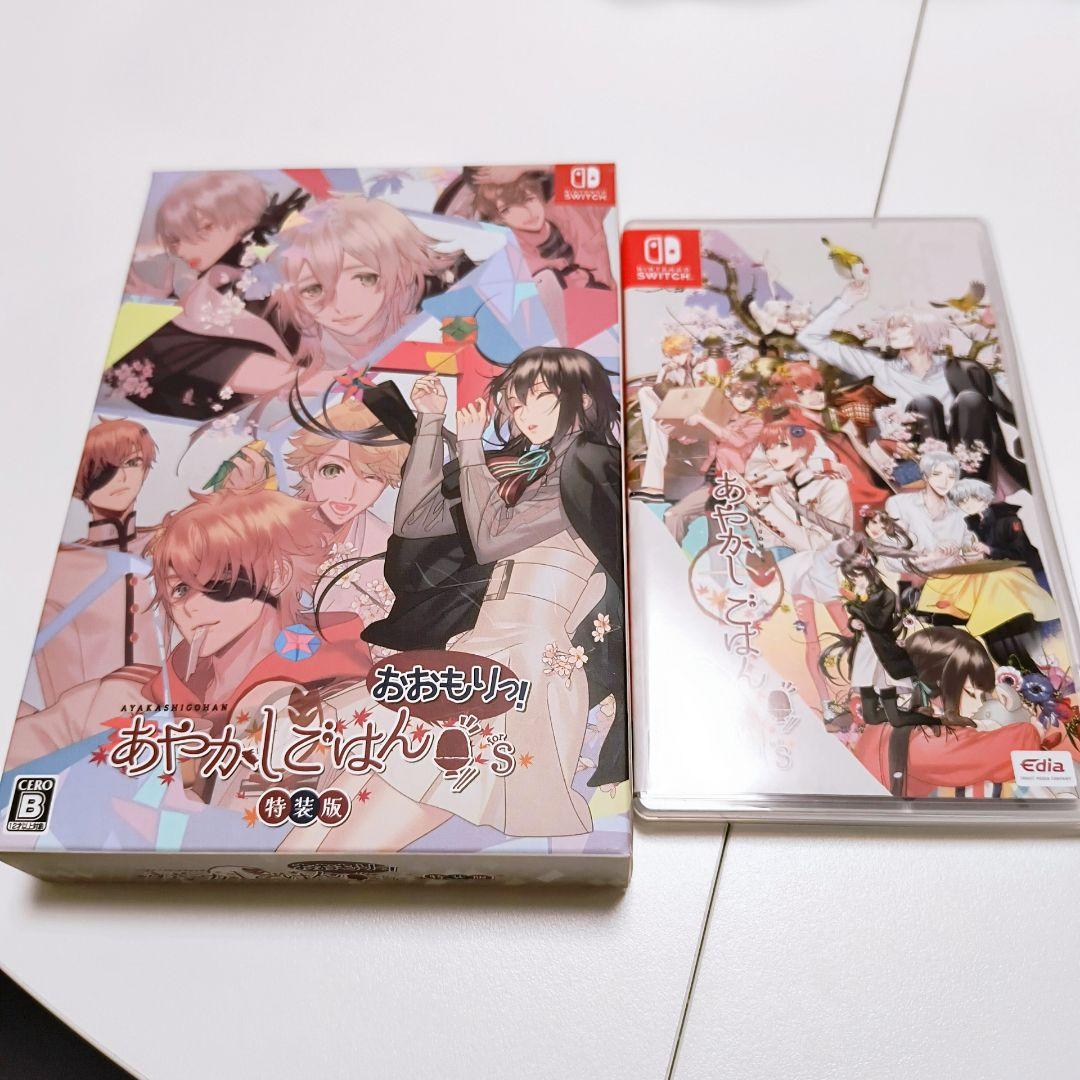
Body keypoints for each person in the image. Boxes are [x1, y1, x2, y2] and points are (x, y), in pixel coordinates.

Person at [303, 347, 626, 850]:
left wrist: (472, 448)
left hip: (522, 669)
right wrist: (430, 425)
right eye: (515, 402)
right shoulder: (522, 468)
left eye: (538, 397)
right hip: (473, 653)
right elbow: (416, 523)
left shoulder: (591, 465)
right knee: (342, 799)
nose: (522, 413)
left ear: (583, 399)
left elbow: (492, 540)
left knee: (376, 820)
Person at [9, 489, 371, 808]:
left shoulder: (325, 694)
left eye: (216, 581)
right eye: (180, 589)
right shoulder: (138, 691)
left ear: (277, 575)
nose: (191, 607)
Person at [796, 277, 1027, 491]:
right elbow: (809, 338)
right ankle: (946, 486)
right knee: (924, 404)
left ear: (923, 329)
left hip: (972, 463)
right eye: (891, 326)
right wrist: (845, 301)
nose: (892, 331)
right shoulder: (881, 369)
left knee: (971, 400)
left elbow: (1007, 411)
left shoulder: (963, 370)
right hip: (916, 462)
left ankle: (971, 490)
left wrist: (1024, 440)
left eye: (902, 325)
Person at [35, 420, 163, 706]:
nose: (121, 478)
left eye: (132, 463)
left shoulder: (166, 543)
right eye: (104, 468)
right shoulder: (58, 566)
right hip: (82, 722)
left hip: (168, 719)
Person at [852, 627, 1047, 797]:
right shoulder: (922, 738)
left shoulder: (892, 721)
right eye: (970, 692)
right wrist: (1033, 731)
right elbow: (991, 753)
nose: (974, 704)